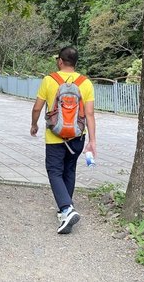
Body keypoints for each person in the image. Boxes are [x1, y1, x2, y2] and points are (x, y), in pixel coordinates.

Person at [30, 46, 96, 234]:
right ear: (75, 62)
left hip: (55, 136)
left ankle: (67, 208)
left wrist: (34, 124)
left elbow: (37, 107)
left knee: (54, 171)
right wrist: (93, 141)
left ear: (60, 61)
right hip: (77, 135)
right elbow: (90, 114)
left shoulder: (49, 80)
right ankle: (65, 209)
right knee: (69, 169)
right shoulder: (86, 83)